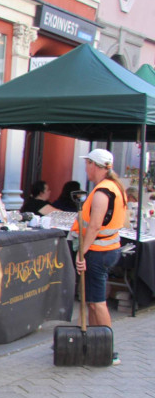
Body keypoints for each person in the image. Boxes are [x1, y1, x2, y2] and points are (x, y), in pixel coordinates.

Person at [71, 149, 127, 364]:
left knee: (97, 301)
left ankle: (107, 348)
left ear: (94, 165)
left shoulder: (103, 191)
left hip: (99, 251)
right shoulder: (113, 187)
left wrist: (81, 252)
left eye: (87, 164)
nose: (86, 168)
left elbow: (94, 226)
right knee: (93, 301)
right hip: (106, 249)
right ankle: (96, 342)